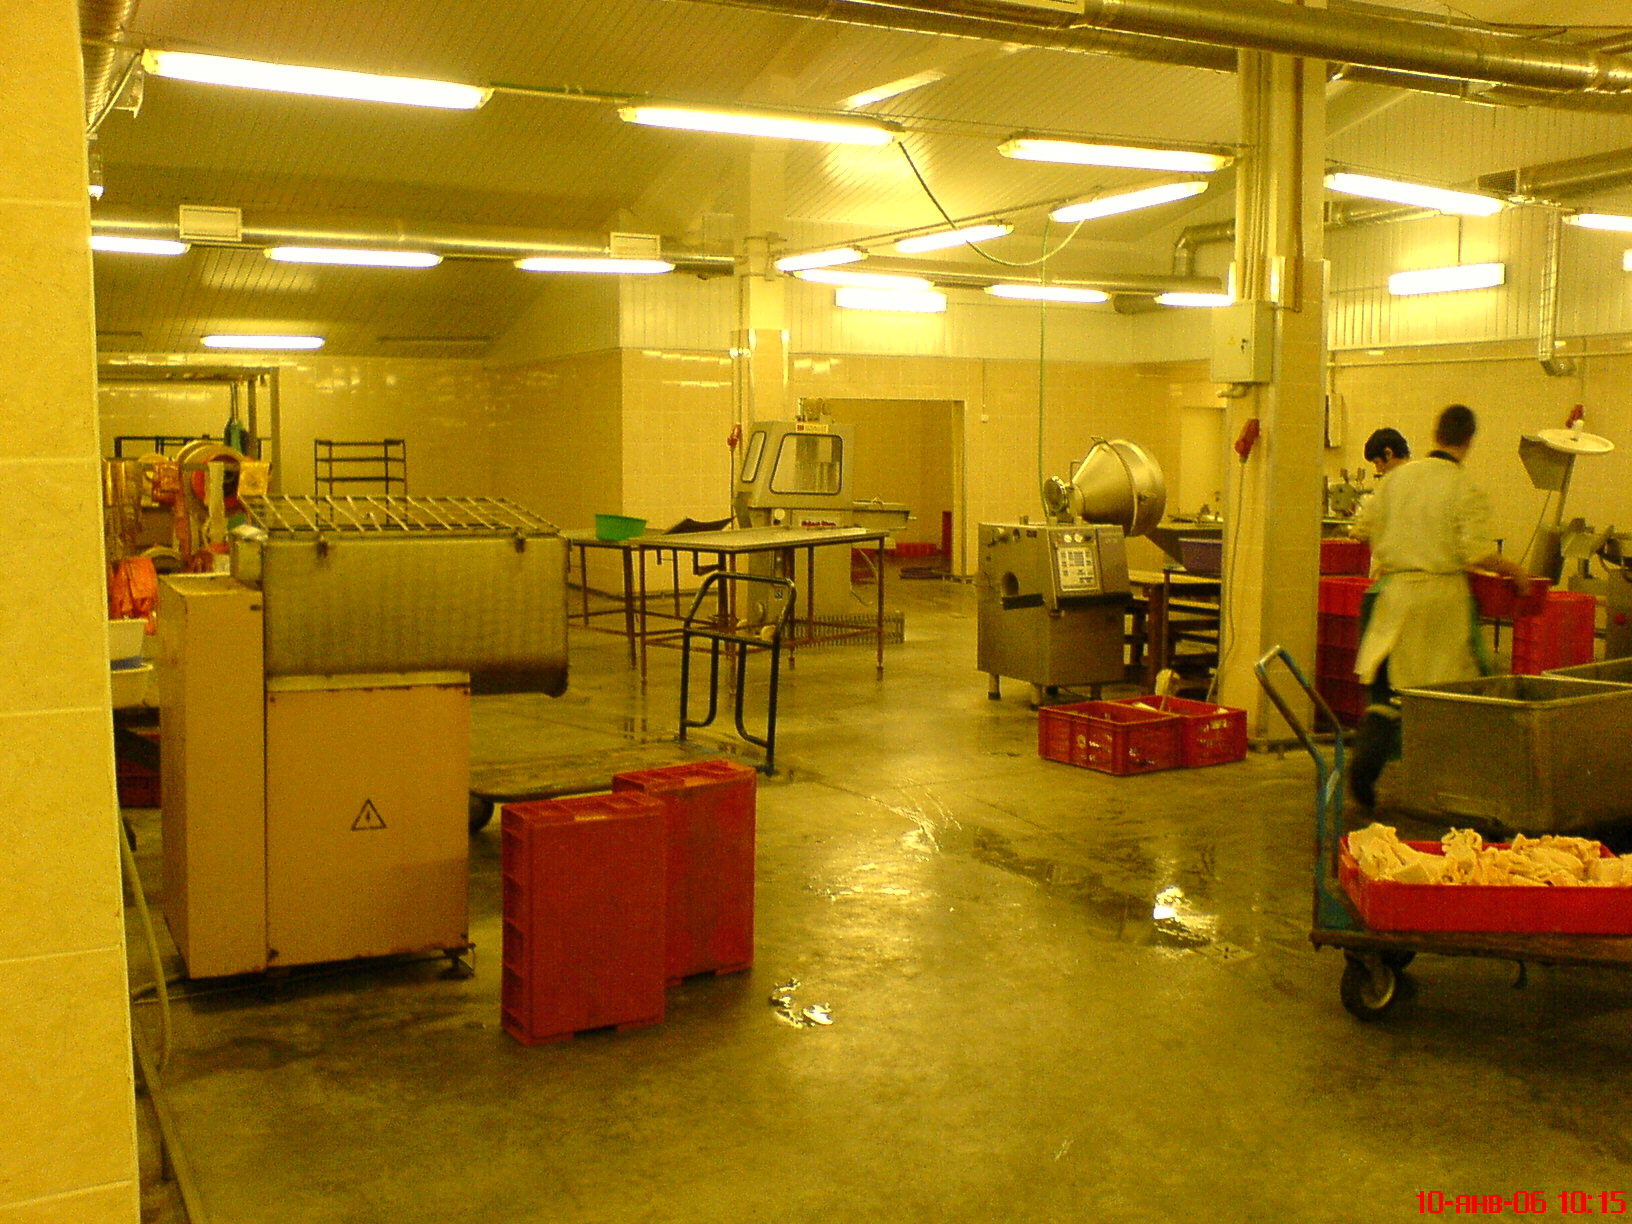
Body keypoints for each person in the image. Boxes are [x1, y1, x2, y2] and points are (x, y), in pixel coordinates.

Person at [1347, 404, 1531, 808]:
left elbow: (1361, 529)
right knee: (1454, 694)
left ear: (1435, 433)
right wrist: (1516, 571)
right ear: (1469, 440)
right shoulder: (1463, 488)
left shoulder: (1395, 480)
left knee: (1391, 695)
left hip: (1394, 596)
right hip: (1440, 602)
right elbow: (1476, 552)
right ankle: (1458, 787)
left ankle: (1365, 769)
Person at [1348, 427, 1410, 544]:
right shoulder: (1422, 478)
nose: (1378, 469)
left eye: (1377, 462)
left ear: (1388, 453)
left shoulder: (1393, 483)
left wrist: (1356, 532)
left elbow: (1365, 528)